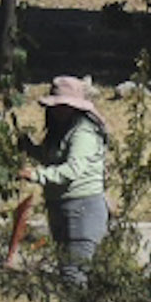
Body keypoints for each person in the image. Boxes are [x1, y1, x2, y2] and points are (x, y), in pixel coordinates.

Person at [28, 76, 111, 279]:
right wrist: (30, 149)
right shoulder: (60, 131)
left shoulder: (84, 132)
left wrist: (35, 175)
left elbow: (72, 170)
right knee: (67, 270)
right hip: (60, 205)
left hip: (82, 208)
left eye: (64, 106)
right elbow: (52, 159)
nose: (58, 111)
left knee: (75, 273)